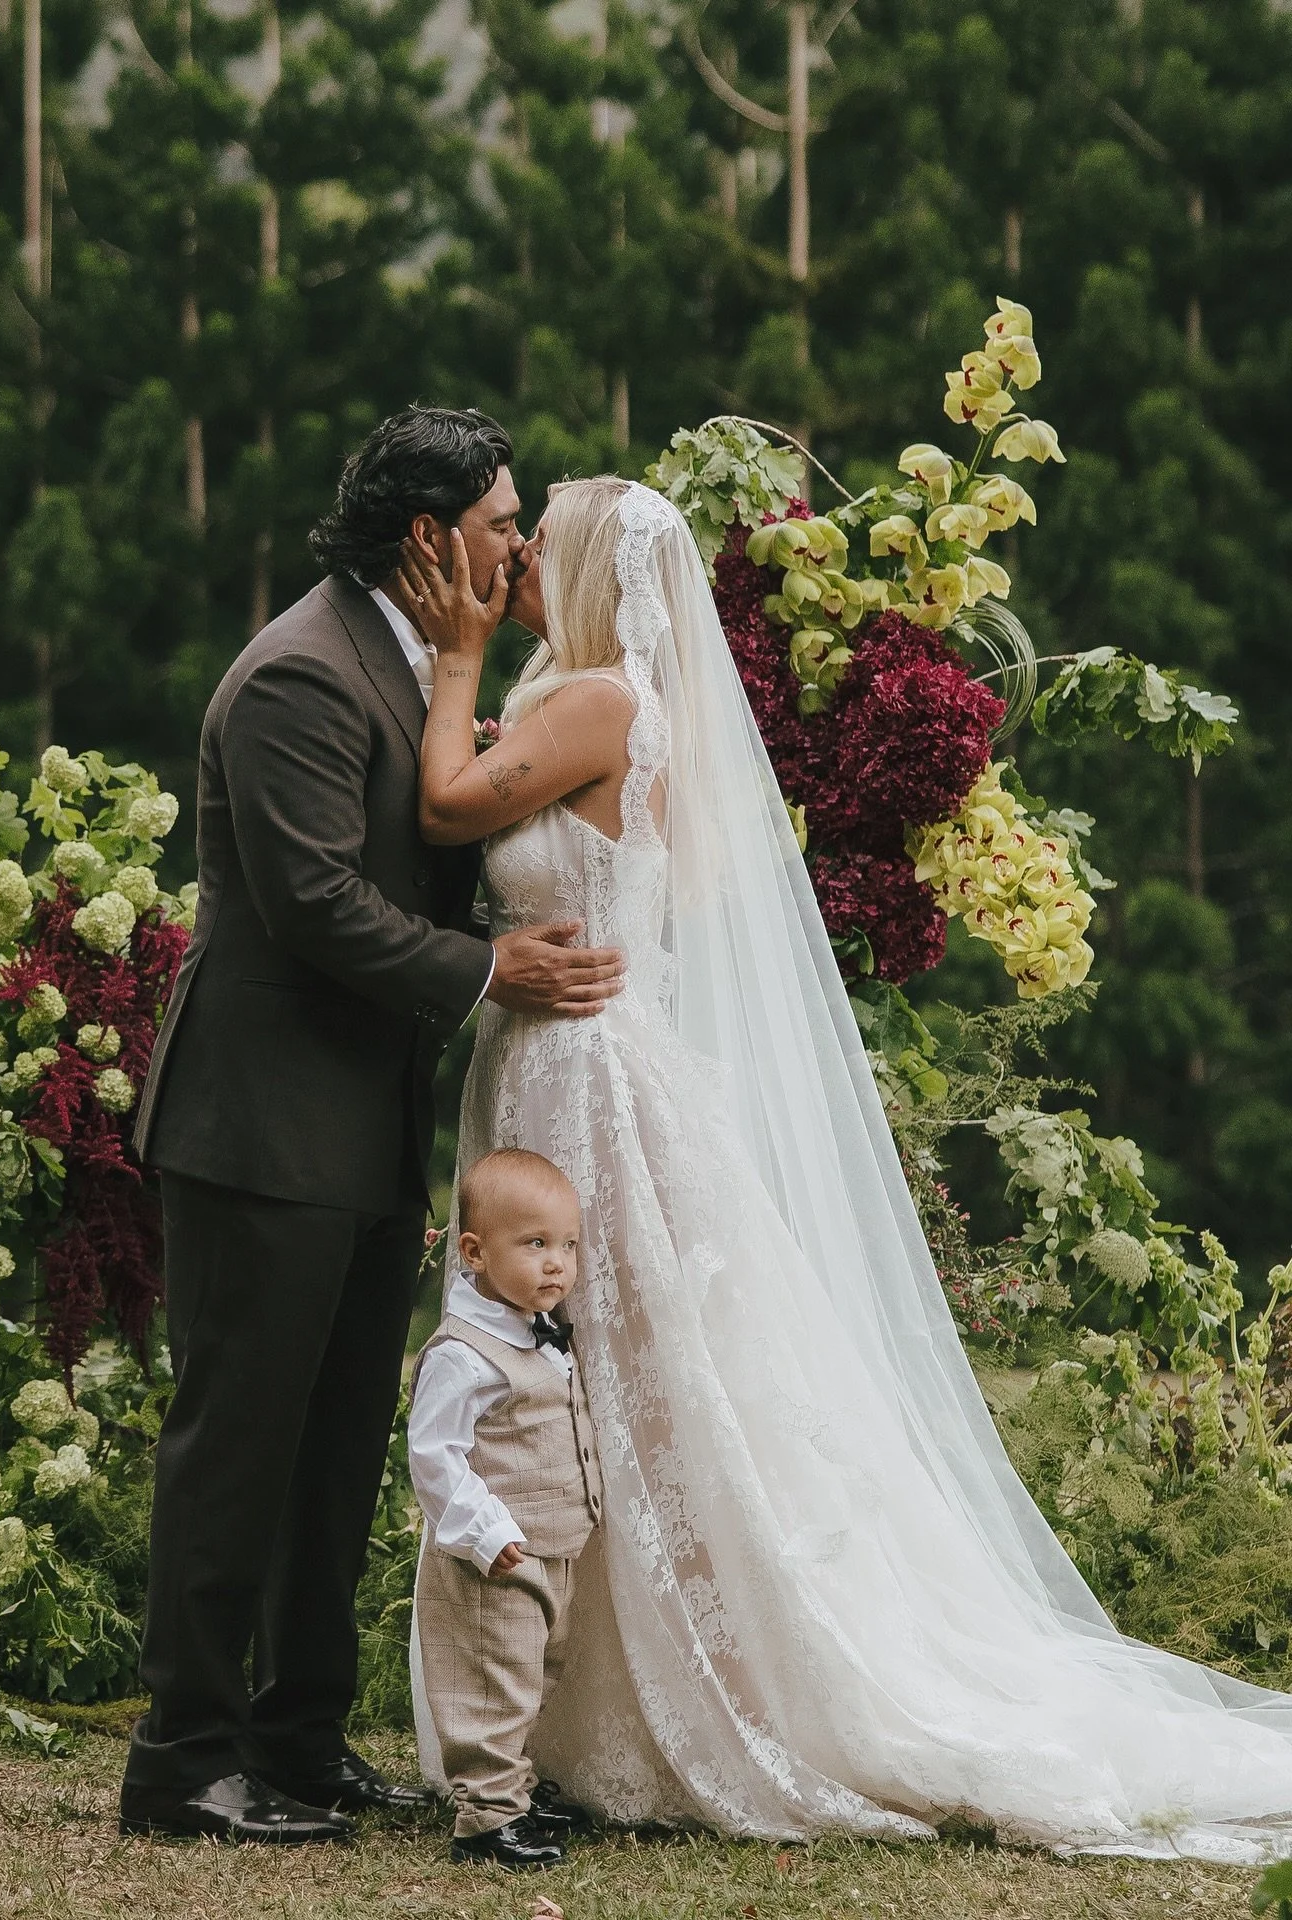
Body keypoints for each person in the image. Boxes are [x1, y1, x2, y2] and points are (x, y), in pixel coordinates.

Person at [402, 474, 1292, 1863]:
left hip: (585, 1068)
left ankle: (675, 1691)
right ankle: (575, 1702)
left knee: (624, 1365)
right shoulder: (596, 692)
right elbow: (669, 875)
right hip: (573, 1045)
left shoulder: (603, 697)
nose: (517, 551)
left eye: (542, 531)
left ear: (584, 566)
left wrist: (454, 666)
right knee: (610, 1365)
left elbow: (454, 806)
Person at [118, 410, 625, 1846]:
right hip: (259, 1126)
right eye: (500, 522)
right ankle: (182, 1763)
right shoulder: (295, 676)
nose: (519, 546)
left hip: (361, 1124)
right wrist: (490, 969)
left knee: (338, 1450)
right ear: (428, 539)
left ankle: (297, 1737)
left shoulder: (409, 659)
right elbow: (314, 905)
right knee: (237, 1452)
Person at [408, 1148, 602, 1870]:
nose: (557, 1263)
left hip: (550, 1547)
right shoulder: (464, 1353)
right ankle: (485, 1822)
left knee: (534, 1675)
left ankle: (513, 1794)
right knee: (494, 1685)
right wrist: (484, 1530)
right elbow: (435, 1456)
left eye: (567, 1245)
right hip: (495, 1555)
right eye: (534, 1244)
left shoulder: (537, 1332)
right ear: (474, 1251)